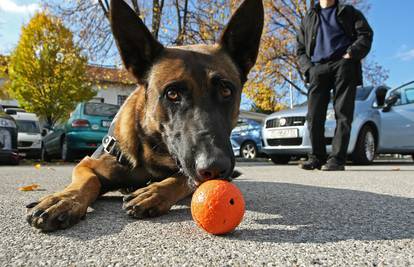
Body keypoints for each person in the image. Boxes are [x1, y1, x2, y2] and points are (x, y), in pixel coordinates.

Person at [296, 0, 373, 171]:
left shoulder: (348, 11)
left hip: (343, 66)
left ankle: (337, 159)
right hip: (317, 68)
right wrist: (309, 69)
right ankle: (317, 157)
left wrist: (351, 54)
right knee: (314, 116)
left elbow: (365, 34)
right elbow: (300, 49)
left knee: (343, 114)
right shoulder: (309, 17)